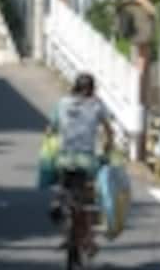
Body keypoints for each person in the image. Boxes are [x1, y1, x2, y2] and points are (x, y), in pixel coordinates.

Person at [47, 73, 113, 255]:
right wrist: (108, 150)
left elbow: (51, 129)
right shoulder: (97, 105)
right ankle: (89, 239)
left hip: (64, 157)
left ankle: (58, 201)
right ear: (92, 89)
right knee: (89, 199)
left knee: (63, 186)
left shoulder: (62, 103)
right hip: (86, 160)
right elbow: (109, 132)